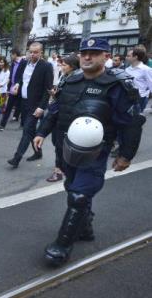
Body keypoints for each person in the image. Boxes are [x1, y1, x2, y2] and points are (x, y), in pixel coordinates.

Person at [33, 38, 145, 266]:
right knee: (71, 188)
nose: (87, 57)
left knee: (80, 194)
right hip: (65, 148)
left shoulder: (118, 85)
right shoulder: (70, 80)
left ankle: (61, 247)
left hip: (96, 152)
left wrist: (126, 155)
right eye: (84, 52)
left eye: (94, 53)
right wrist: (42, 132)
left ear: (106, 56)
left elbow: (131, 122)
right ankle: (85, 228)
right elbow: (56, 110)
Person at [7, 42, 53, 168]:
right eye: (30, 52)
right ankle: (38, 153)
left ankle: (16, 158)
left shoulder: (46, 66)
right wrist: (17, 84)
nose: (32, 54)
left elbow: (47, 90)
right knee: (31, 131)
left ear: (41, 52)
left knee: (26, 130)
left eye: (35, 52)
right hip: (23, 102)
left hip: (36, 105)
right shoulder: (24, 63)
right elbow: (20, 78)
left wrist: (42, 107)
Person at [45, 54, 81, 183]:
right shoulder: (65, 76)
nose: (61, 66)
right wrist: (55, 95)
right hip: (59, 114)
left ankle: (59, 170)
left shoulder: (78, 79)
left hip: (69, 118)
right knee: (57, 143)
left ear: (72, 67)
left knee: (62, 145)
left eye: (64, 65)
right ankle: (62, 166)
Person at [0, 49, 26, 131]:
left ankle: (22, 125)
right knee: (8, 107)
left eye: (11, 55)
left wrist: (18, 84)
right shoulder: (13, 63)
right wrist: (9, 87)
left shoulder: (24, 63)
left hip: (20, 89)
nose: (10, 56)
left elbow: (24, 76)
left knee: (21, 107)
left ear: (15, 54)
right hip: (12, 88)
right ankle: (2, 125)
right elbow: (11, 76)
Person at [125, 46, 152, 112]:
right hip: (127, 97)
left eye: (128, 56)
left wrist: (146, 96)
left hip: (140, 98)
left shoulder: (146, 69)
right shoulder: (127, 69)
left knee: (136, 119)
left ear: (135, 57)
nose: (126, 57)